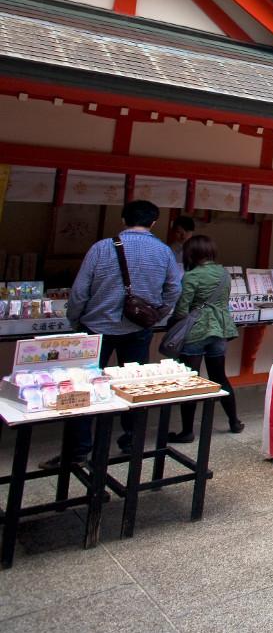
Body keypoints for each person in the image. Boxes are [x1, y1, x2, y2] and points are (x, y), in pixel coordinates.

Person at [42, 199, 181, 469]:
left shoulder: (102, 248)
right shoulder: (164, 252)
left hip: (96, 326)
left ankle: (78, 449)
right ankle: (130, 442)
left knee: (83, 385)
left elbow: (80, 290)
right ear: (153, 222)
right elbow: (174, 289)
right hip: (138, 328)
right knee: (134, 386)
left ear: (123, 220)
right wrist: (156, 314)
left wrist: (75, 319)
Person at [169, 235, 244, 441]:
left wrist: (171, 325)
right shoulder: (224, 274)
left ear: (191, 253)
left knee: (191, 380)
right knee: (219, 376)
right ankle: (234, 421)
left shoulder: (191, 276)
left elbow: (182, 310)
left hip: (196, 331)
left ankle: (187, 431)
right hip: (219, 330)